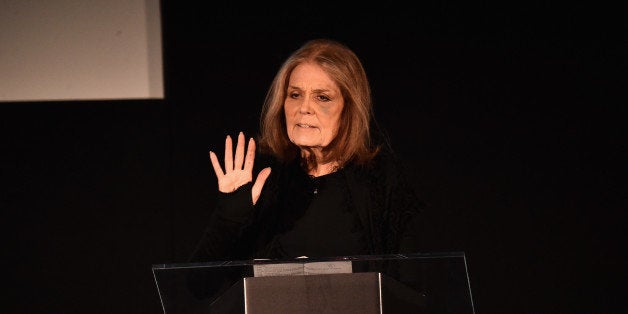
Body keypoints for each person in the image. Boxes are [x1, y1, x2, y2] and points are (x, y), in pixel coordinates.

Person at [189, 38, 424, 263]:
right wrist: (229, 216)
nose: (304, 108)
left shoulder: (382, 181)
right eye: (295, 95)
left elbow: (408, 289)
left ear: (349, 109)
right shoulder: (264, 180)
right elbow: (199, 286)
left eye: (322, 97)